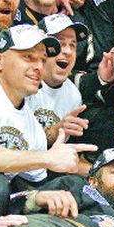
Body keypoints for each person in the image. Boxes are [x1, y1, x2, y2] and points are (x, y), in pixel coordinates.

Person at [0, 24, 97, 225]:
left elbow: (22, 188)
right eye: (28, 57)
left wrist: (37, 198)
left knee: (71, 187)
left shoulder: (30, 123)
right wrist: (46, 158)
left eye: (43, 60)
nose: (38, 67)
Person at [27, 14, 89, 148]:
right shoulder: (23, 83)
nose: (67, 51)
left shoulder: (73, 96)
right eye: (60, 43)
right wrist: (55, 131)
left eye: (72, 45)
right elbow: (17, 142)